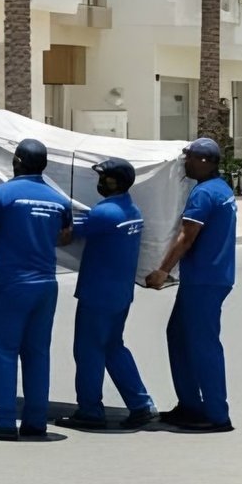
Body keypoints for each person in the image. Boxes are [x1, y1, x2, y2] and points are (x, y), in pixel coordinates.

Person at [0, 136, 73, 442]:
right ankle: (35, 421)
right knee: (37, 352)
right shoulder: (59, 200)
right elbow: (64, 237)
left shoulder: (2, 194)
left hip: (12, 283)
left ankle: (1, 420)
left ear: (17, 163)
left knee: (2, 350)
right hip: (45, 284)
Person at [144, 135, 238, 432]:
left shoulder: (204, 194)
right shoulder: (221, 190)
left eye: (189, 158)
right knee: (179, 336)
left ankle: (215, 413)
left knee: (202, 344)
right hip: (212, 276)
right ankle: (190, 404)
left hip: (204, 280)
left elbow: (187, 236)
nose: (185, 163)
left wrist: (161, 270)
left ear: (204, 161)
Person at [58, 157, 157, 431]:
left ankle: (90, 410)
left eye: (104, 177)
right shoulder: (132, 210)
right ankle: (141, 404)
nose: (99, 182)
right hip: (120, 293)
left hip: (97, 293)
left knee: (88, 351)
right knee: (114, 347)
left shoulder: (105, 213)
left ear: (115, 181)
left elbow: (65, 236)